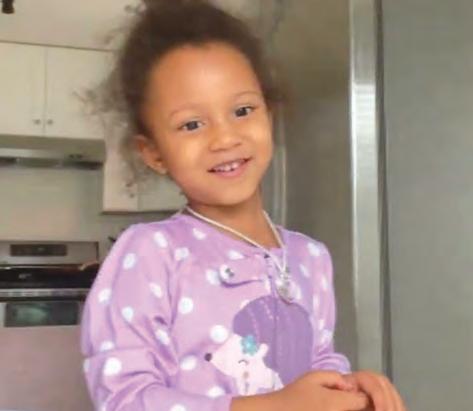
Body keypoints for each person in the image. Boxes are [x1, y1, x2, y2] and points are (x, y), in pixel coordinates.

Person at [81, 1, 406, 410]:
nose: (225, 138)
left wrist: (350, 390)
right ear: (154, 153)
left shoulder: (311, 257)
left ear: (268, 115)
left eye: (242, 110)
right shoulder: (150, 254)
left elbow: (317, 369)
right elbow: (124, 400)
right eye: (192, 124)